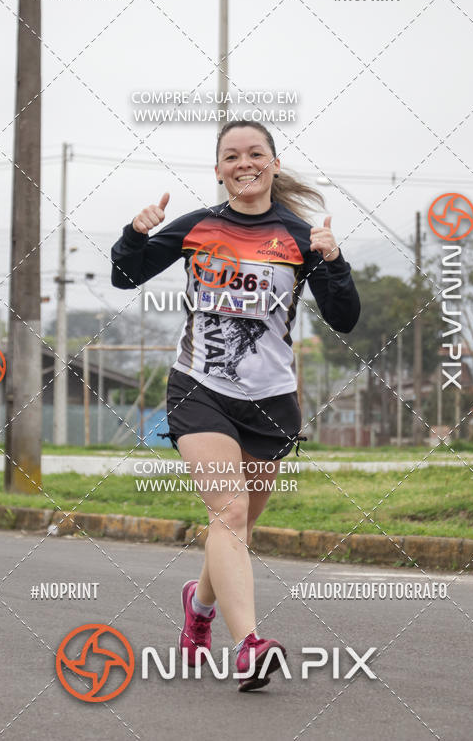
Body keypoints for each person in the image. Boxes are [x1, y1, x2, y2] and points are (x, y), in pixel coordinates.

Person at [110, 120, 360, 691]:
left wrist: (335, 261)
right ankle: (248, 645)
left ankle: (198, 608)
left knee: (238, 523)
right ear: (219, 169)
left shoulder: (299, 237)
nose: (243, 163)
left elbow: (344, 319)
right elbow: (126, 274)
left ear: (272, 163)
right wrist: (134, 231)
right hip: (199, 387)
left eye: (255, 153)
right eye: (231, 155)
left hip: (271, 400)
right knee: (227, 510)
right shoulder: (198, 226)